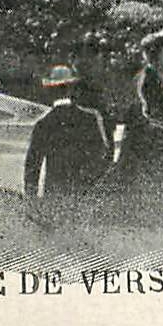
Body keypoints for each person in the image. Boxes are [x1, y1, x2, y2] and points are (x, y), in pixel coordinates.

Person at [93, 28, 163, 224]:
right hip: (150, 134)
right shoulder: (146, 78)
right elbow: (149, 112)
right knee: (149, 178)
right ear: (156, 54)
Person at [23, 65, 111, 227]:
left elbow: (32, 165)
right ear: (72, 89)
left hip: (54, 194)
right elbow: (104, 156)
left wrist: (31, 200)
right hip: (85, 194)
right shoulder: (90, 119)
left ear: (50, 91)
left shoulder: (44, 124)